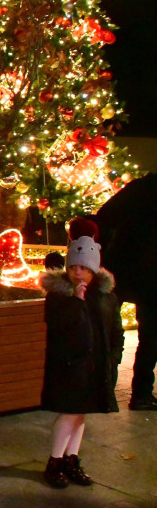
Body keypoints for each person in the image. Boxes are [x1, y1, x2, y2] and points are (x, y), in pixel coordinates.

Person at [39, 236, 122, 488]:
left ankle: (71, 459)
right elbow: (59, 326)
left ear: (93, 270)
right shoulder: (60, 296)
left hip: (96, 365)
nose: (78, 273)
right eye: (74, 267)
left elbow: (114, 330)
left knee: (80, 415)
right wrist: (76, 302)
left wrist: (113, 358)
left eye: (84, 268)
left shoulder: (105, 296)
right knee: (70, 413)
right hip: (70, 366)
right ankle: (55, 461)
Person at [93, 173, 157, 410]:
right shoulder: (143, 187)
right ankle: (140, 393)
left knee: (108, 332)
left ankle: (104, 389)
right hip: (145, 276)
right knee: (149, 337)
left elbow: (104, 217)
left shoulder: (141, 187)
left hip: (121, 267)